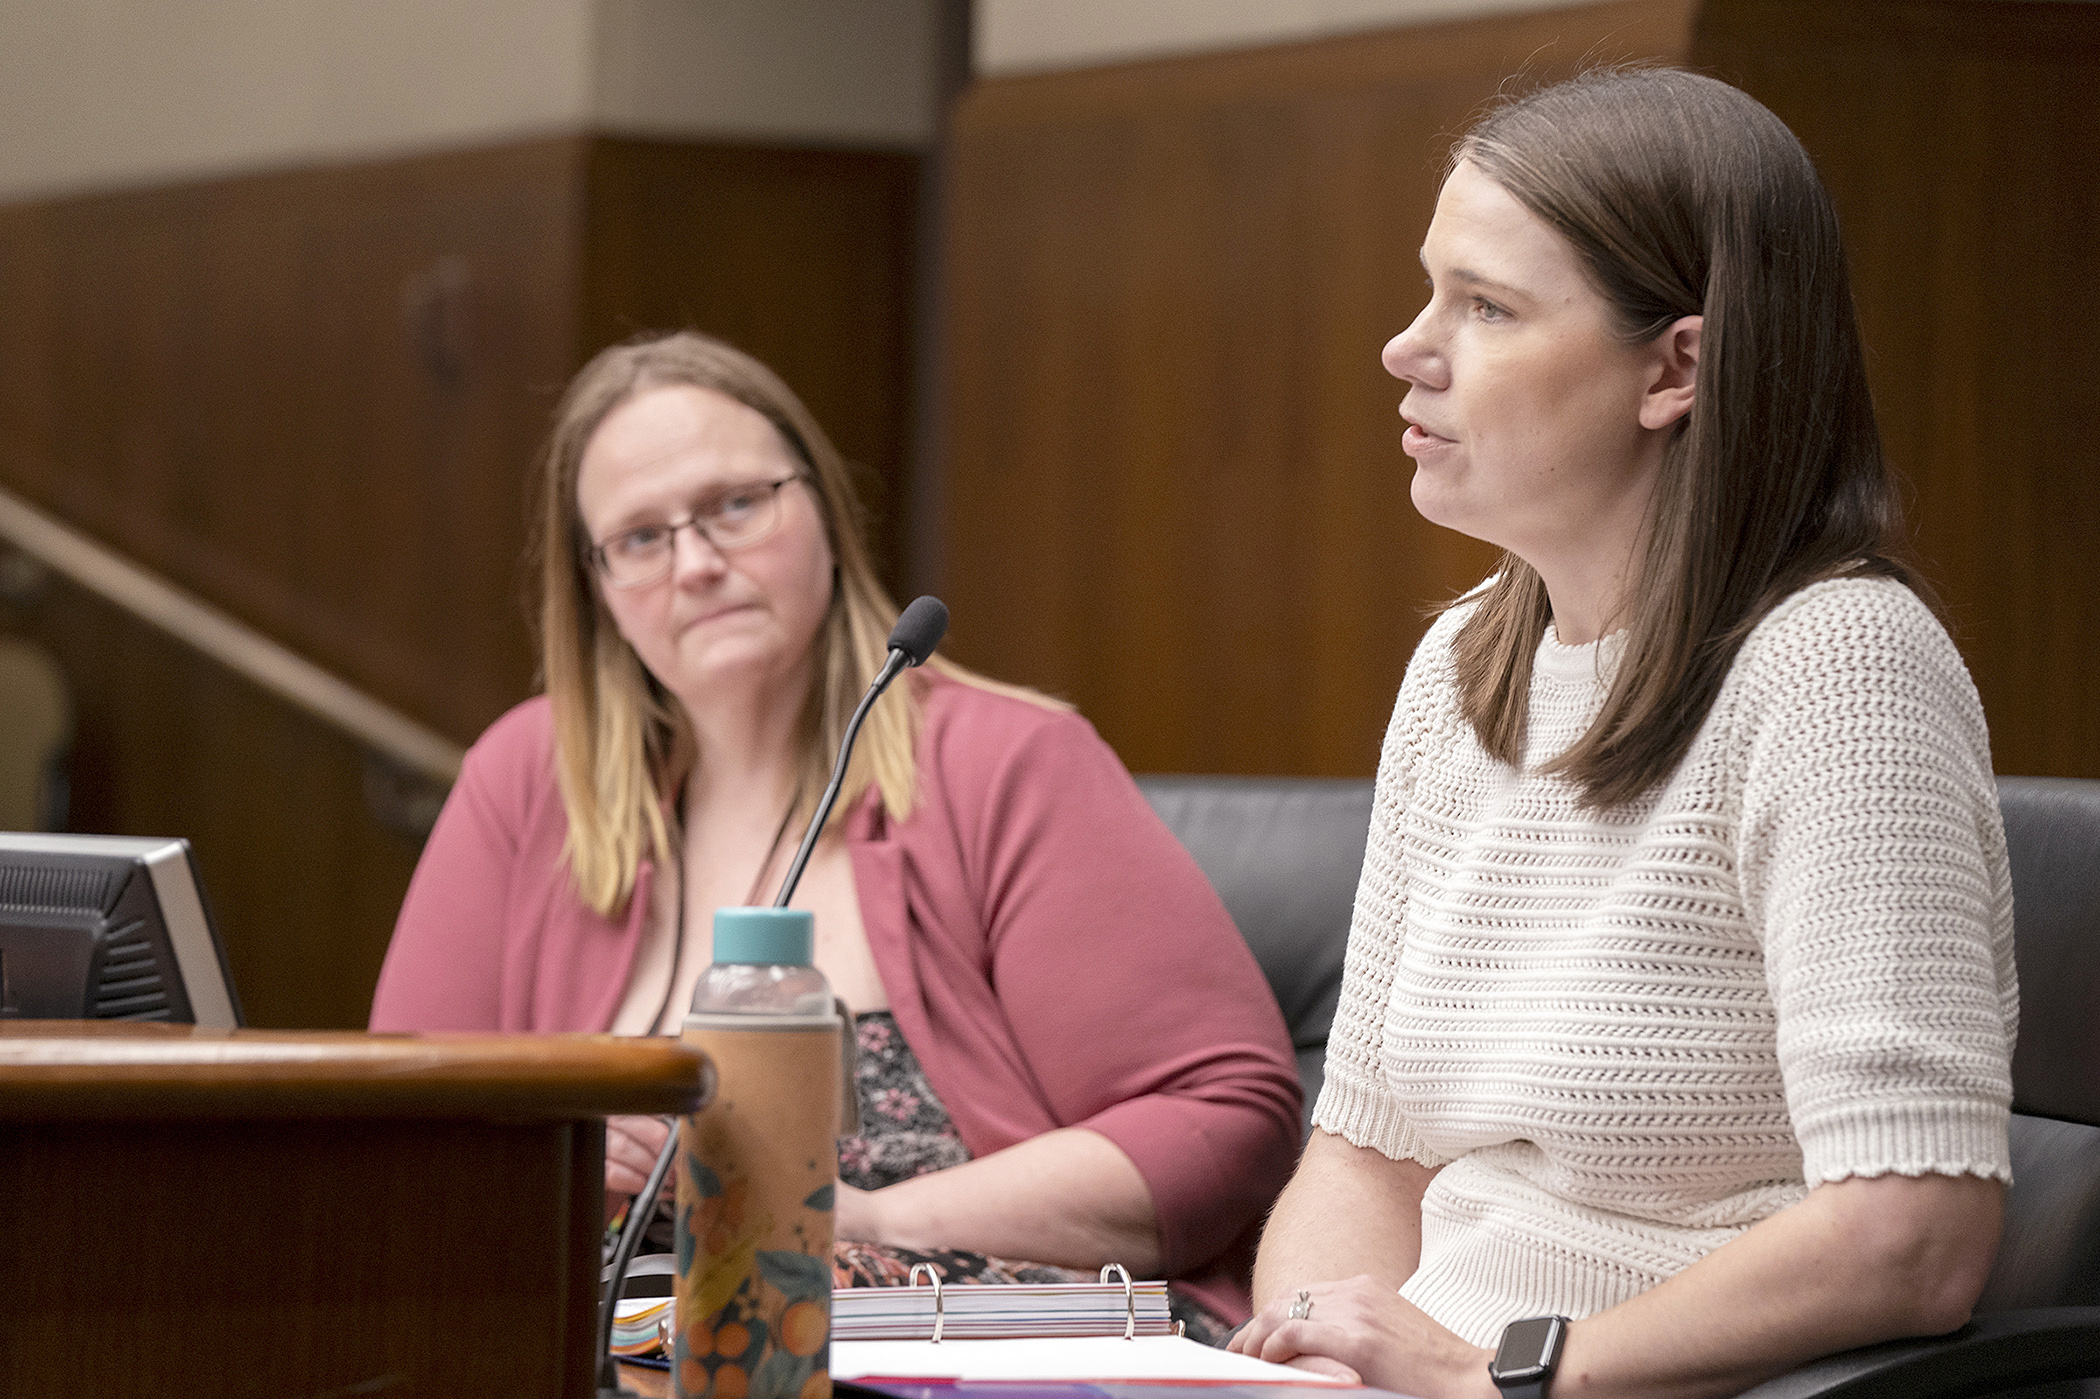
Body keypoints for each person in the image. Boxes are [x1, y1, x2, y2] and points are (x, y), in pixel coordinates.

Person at [1228, 68, 2017, 1396]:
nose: (1405, 347)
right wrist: (1306, 1354)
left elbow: (1912, 1234)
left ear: (1676, 366)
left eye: (1485, 305)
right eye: (1433, 290)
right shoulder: (1463, 663)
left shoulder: (1838, 667)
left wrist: (1500, 1377)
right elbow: (1367, 1155)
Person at [367, 331, 1302, 1336]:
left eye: (735, 504)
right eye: (640, 536)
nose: (696, 563)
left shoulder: (1010, 762)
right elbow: (406, 1142)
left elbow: (1223, 1116)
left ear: (820, 507)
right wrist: (548, 1165)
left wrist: (856, 1218)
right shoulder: (524, 781)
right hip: (626, 1351)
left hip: (977, 1343)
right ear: (594, 586)